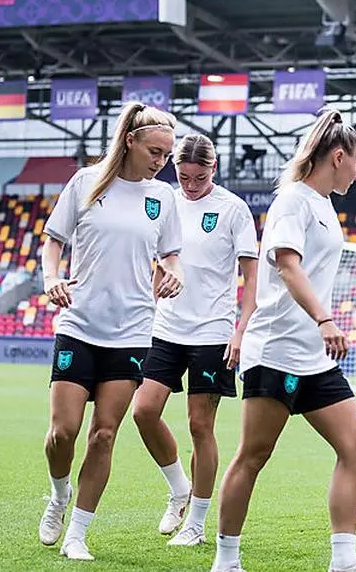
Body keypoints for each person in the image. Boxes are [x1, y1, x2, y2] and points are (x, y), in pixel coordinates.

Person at [210, 109, 356, 572]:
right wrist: (325, 319)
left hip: (314, 358)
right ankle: (226, 561)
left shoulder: (324, 205)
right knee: (254, 455)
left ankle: (343, 560)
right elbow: (287, 265)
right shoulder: (292, 201)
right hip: (277, 351)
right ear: (338, 157)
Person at [37, 102, 184, 561]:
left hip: (132, 331)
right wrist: (51, 277)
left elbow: (171, 254)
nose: (161, 162)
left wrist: (174, 272)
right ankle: (58, 495)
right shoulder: (86, 182)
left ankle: (77, 535)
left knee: (103, 434)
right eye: (155, 152)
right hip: (79, 324)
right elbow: (53, 242)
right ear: (130, 141)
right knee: (63, 432)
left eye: (167, 154)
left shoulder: (163, 198)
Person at [131, 134, 260, 545]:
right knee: (143, 411)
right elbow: (156, 259)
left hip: (212, 331)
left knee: (200, 425)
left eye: (199, 178)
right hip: (165, 327)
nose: (190, 185)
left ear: (213, 169)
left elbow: (252, 277)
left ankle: (197, 525)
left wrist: (241, 330)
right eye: (183, 177)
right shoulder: (165, 202)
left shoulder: (233, 209)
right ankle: (179, 488)